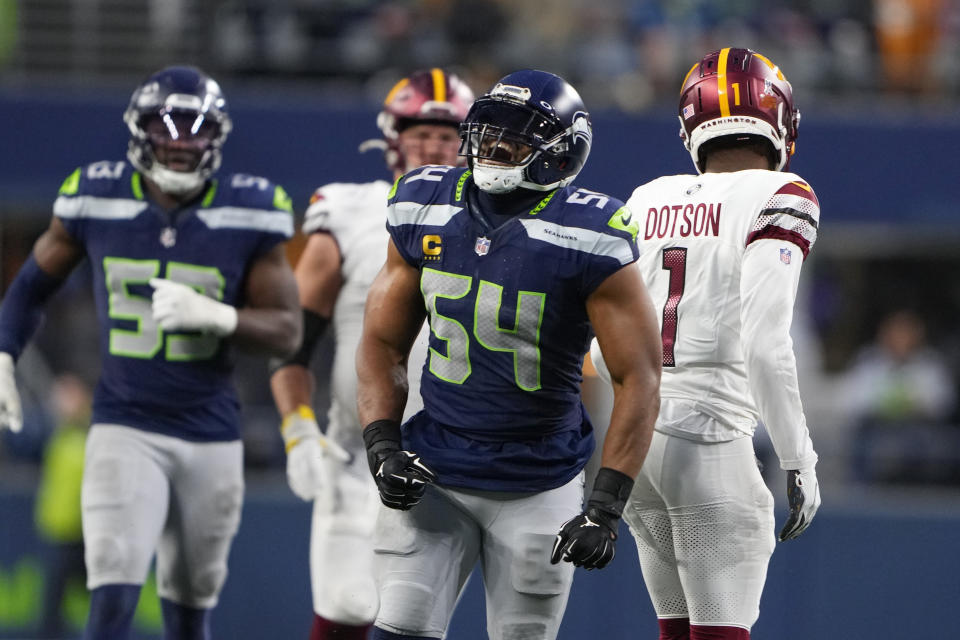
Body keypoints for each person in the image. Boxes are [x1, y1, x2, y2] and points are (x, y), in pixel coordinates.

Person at [355, 69, 662, 640]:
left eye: (515, 139)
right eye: (488, 133)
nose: (493, 149)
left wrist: (606, 505)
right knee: (397, 627)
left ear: (560, 155)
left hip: (538, 483)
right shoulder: (423, 202)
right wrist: (381, 443)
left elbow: (638, 377)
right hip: (436, 469)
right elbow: (382, 341)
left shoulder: (590, 231)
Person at [0, 65, 301, 640]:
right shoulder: (97, 194)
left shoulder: (251, 208)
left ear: (217, 135)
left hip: (210, 429)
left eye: (195, 129)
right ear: (140, 131)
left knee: (190, 607)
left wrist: (219, 316)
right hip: (124, 424)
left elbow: (287, 331)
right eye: (167, 128)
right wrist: (3, 351)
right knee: (112, 585)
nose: (180, 143)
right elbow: (32, 286)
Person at [591, 47, 822, 640]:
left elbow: (600, 350)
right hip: (713, 443)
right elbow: (766, 342)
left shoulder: (647, 198)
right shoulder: (783, 193)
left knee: (675, 630)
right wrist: (798, 457)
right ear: (781, 122)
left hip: (637, 442)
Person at [268, 67, 474, 640]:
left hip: (450, 456)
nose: (433, 145)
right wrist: (296, 425)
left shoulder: (491, 223)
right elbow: (293, 341)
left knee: (412, 622)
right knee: (345, 609)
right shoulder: (349, 210)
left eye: (446, 133)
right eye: (420, 132)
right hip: (356, 454)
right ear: (391, 137)